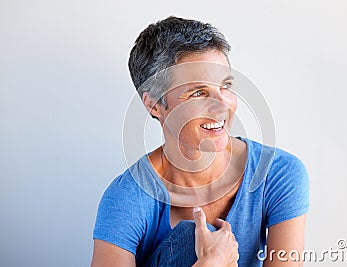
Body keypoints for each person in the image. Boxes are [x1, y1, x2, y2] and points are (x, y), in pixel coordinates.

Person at [91, 16, 309, 267]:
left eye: (225, 86)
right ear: (154, 105)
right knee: (190, 236)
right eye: (198, 93)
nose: (221, 106)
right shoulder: (126, 197)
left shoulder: (278, 173)